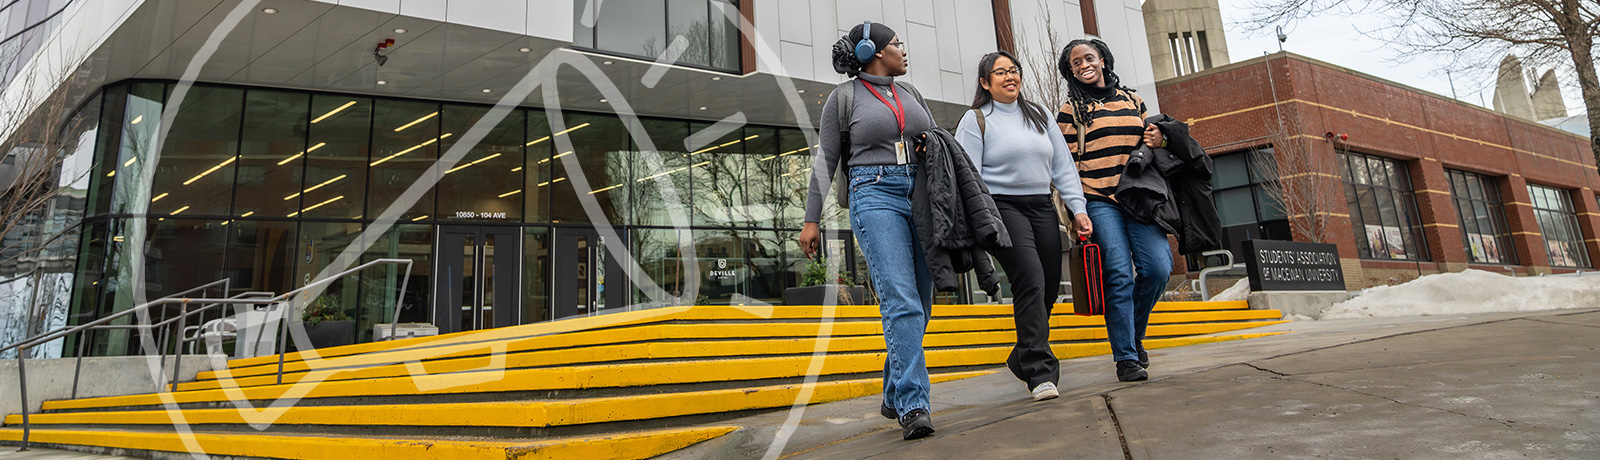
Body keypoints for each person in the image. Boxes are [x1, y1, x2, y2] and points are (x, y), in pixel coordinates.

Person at [800, 20, 938, 440]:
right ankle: (914, 406)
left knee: (922, 303)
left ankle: (894, 389)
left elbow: (932, 140)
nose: (903, 49)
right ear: (872, 53)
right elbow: (825, 161)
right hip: (873, 193)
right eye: (896, 43)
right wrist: (810, 220)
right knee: (901, 298)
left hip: (918, 194)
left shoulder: (910, 93)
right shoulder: (843, 99)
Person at [953, 51, 1093, 401]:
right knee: (1029, 277)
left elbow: (1062, 166)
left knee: (1046, 284)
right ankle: (1040, 373)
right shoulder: (975, 120)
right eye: (1000, 72)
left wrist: (1078, 208)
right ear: (985, 82)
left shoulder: (1039, 115)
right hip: (1000, 208)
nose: (1009, 76)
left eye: (1013, 70)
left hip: (1041, 205)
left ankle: (1022, 355)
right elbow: (968, 177)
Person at [1057, 38, 1171, 382]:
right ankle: (1125, 358)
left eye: (1088, 58)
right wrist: (1076, 212)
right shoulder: (1070, 110)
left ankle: (1133, 336)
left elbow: (1154, 141)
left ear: (1103, 60)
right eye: (1075, 63)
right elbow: (1064, 167)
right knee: (1119, 274)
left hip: (1140, 198)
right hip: (1099, 200)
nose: (1083, 65)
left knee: (1158, 269)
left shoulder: (1133, 100)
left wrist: (1159, 139)